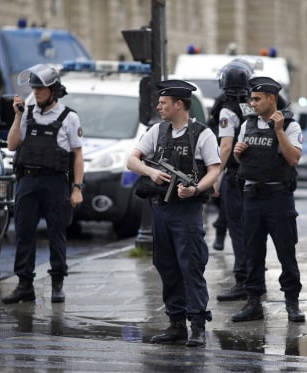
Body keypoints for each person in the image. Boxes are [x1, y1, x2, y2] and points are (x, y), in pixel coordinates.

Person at [126, 79, 221, 347]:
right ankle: (176, 324)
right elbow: (131, 160)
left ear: (179, 105)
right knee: (166, 266)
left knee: (190, 265)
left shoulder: (203, 134)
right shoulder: (157, 131)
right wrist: (151, 171)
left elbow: (214, 169)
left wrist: (196, 189)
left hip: (187, 211)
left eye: (164, 103)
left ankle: (198, 325)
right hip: (161, 210)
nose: (159, 106)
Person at [2, 64, 84, 304]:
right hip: (27, 181)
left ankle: (57, 283)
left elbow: (77, 155)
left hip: (56, 183)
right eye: (34, 88)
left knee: (56, 233)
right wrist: (18, 116)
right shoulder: (26, 114)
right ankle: (24, 285)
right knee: (23, 234)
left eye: (41, 88)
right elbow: (12, 145)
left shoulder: (69, 117)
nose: (36, 92)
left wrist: (77, 188)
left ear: (53, 91)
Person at [231, 76, 305, 323]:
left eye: (257, 99)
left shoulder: (290, 125)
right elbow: (247, 162)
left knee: (286, 251)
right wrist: (237, 154)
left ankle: (292, 303)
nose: (252, 103)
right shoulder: (247, 124)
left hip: (278, 197)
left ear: (271, 99)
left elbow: (293, 158)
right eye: (251, 98)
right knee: (252, 252)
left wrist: (279, 131)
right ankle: (253, 303)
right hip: (252, 196)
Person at [210, 59, 256, 302]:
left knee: (238, 230)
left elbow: (226, 145)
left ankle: (242, 281)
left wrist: (215, 175)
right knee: (252, 231)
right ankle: (254, 280)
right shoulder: (250, 106)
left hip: (236, 177)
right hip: (253, 176)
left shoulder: (227, 110)